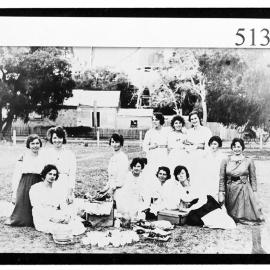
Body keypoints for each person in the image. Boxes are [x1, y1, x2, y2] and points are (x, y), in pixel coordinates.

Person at [29, 164, 85, 235]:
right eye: (50, 174)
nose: (52, 176)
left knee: (74, 224)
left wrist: (66, 215)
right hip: (41, 216)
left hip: (53, 212)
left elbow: (62, 204)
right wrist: (51, 218)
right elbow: (36, 206)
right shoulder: (35, 188)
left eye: (54, 175)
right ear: (45, 174)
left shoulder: (57, 188)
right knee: (60, 228)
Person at [218, 138, 264, 223]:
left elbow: (253, 178)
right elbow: (222, 178)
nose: (237, 149)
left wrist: (254, 192)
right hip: (230, 189)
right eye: (234, 146)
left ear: (242, 147)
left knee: (246, 215)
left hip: (243, 189)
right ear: (232, 148)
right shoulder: (226, 160)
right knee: (228, 215)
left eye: (239, 146)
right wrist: (221, 191)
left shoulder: (248, 160)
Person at [6, 134, 45, 226]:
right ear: (29, 145)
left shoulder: (44, 157)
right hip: (25, 182)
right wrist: (14, 193)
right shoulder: (23, 157)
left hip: (38, 182)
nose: (35, 146)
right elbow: (17, 175)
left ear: (40, 145)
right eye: (32, 144)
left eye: (37, 143)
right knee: (23, 217)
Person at [42, 126, 76, 206]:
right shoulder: (46, 153)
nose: (57, 140)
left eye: (59, 138)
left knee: (64, 211)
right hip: (50, 185)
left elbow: (72, 175)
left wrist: (70, 193)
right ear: (51, 139)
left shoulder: (69, 154)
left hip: (64, 185)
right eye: (54, 138)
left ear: (63, 138)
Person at [100, 133, 129, 207]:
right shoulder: (112, 158)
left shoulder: (123, 158)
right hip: (112, 189)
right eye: (112, 142)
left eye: (117, 142)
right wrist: (106, 188)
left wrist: (112, 189)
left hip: (120, 190)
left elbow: (122, 177)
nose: (115, 144)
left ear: (121, 143)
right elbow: (111, 177)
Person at [185, 110, 212, 187]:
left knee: (202, 177)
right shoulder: (189, 132)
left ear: (199, 118)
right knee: (192, 176)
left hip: (202, 156)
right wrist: (198, 145)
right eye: (192, 119)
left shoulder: (206, 131)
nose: (194, 120)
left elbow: (207, 146)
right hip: (191, 157)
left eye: (195, 118)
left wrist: (196, 145)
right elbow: (186, 146)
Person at [199, 136, 227, 200]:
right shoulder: (206, 155)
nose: (213, 146)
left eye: (215, 144)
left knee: (217, 196)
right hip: (208, 178)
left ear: (219, 145)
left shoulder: (223, 156)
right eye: (211, 144)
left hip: (218, 178)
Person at [143, 112, 168, 178]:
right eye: (153, 120)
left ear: (161, 120)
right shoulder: (149, 132)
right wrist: (151, 147)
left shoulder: (167, 131)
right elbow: (144, 146)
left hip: (164, 154)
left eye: (156, 120)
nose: (154, 121)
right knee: (153, 172)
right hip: (153, 155)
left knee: (163, 171)